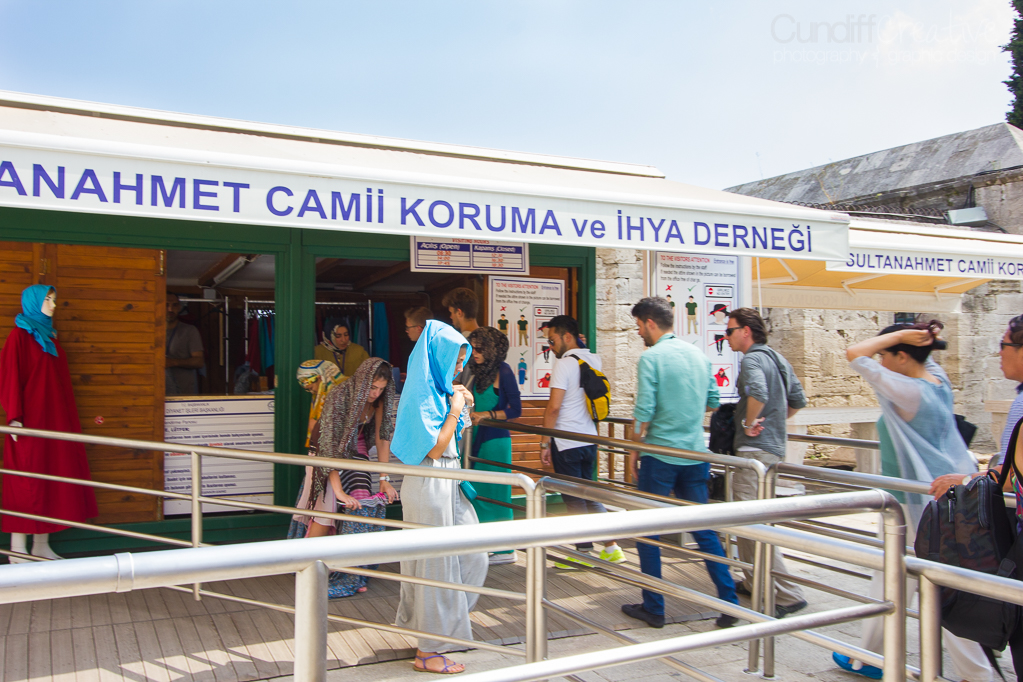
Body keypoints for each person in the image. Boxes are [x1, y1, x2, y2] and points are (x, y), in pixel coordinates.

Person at [834, 321, 989, 681]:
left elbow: (855, 354)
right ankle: (870, 656)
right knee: (894, 576)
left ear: (902, 356)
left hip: (918, 503)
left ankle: (976, 673)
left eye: (886, 355)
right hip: (930, 497)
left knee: (936, 585)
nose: (881, 360)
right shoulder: (937, 380)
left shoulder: (908, 391)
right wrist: (918, 339)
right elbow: (917, 357)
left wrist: (901, 336)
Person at [622, 298, 740, 630]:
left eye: (638, 326)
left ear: (649, 323)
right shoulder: (699, 355)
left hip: (660, 456)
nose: (638, 333)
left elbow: (644, 410)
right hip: (694, 455)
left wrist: (633, 450)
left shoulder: (651, 358)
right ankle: (729, 602)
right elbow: (713, 401)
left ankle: (654, 607)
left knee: (648, 532)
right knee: (704, 531)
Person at [391, 320, 487, 675]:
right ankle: (429, 649)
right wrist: (456, 406)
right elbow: (434, 448)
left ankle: (439, 629)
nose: (460, 367)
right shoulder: (420, 393)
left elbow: (452, 438)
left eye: (462, 360)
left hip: (448, 479)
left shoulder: (438, 389)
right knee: (435, 564)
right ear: (437, 357)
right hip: (430, 481)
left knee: (473, 555)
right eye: (455, 360)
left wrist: (457, 403)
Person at [0, 285, 98, 562]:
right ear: (33, 302)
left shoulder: (50, 337)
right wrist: (14, 417)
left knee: (50, 478)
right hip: (29, 421)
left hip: (54, 419)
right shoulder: (20, 336)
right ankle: (17, 549)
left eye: (54, 300)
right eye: (47, 299)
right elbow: (9, 375)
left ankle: (40, 545)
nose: (53, 305)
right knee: (25, 480)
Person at [725, 307, 808, 618]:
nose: (726, 337)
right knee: (754, 521)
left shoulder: (752, 360)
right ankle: (754, 581)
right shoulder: (777, 358)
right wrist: (773, 421)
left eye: (730, 331)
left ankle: (788, 593)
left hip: (753, 452)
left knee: (751, 522)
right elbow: (798, 400)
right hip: (771, 450)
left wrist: (750, 424)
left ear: (746, 331)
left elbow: (758, 392)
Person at [306, 357, 400, 599]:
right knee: (326, 510)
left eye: (381, 389)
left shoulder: (379, 400)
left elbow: (382, 437)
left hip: (355, 447)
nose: (375, 393)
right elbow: (329, 445)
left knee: (360, 500)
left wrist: (384, 478)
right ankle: (305, 568)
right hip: (324, 450)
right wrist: (338, 491)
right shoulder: (340, 395)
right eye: (372, 387)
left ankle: (353, 571)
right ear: (362, 381)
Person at [540, 315, 625, 566]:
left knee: (574, 499)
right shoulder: (593, 359)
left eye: (553, 340)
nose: (550, 347)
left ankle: (583, 553)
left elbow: (554, 408)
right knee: (589, 495)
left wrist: (545, 442)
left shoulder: (564, 364)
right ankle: (611, 547)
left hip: (567, 442)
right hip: (589, 440)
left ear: (567, 337)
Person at [464, 326, 522, 565]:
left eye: (479, 348)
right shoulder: (474, 371)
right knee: (477, 493)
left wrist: (486, 415)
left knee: (497, 493)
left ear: (491, 349)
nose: (475, 353)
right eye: (472, 348)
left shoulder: (503, 370)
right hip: (475, 440)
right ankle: (486, 545)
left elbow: (516, 410)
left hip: (495, 441)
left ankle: (505, 549)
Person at [287, 359, 345, 540]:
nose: (310, 391)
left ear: (321, 378)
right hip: (326, 460)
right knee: (323, 515)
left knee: (322, 514)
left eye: (311, 386)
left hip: (325, 460)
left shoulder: (334, 396)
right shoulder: (325, 395)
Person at [165, 292, 204, 395]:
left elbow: (199, 361)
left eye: (174, 305)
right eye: (166, 305)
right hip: (156, 392)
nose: (170, 309)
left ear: (179, 307)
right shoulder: (149, 332)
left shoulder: (189, 331)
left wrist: (173, 362)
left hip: (183, 393)